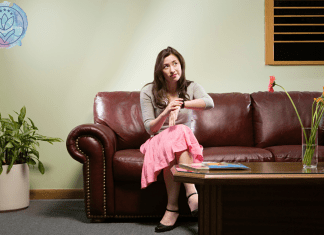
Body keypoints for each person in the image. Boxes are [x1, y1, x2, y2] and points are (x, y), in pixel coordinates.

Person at [140, 46, 214, 233]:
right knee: (179, 131)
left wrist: (179, 105)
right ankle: (192, 193)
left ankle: (171, 209)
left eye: (175, 64)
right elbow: (150, 127)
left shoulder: (191, 87)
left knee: (179, 135)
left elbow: (209, 102)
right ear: (160, 71)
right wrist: (166, 111)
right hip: (157, 141)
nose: (173, 70)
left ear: (181, 65)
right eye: (166, 66)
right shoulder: (148, 91)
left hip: (182, 143)